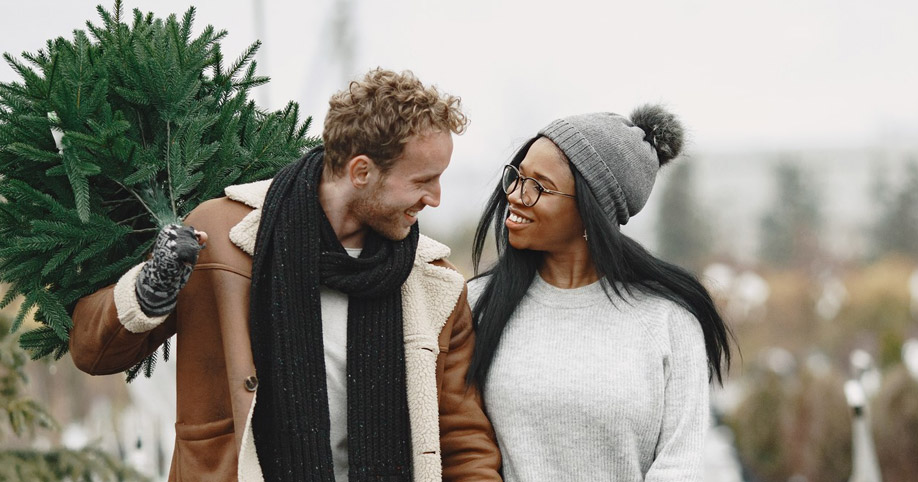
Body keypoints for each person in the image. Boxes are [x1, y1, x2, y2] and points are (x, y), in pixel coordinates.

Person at [70, 68, 502, 482]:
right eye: (423, 180)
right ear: (362, 172)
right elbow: (95, 353)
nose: (436, 198)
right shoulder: (222, 238)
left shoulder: (433, 283)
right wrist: (151, 286)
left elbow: (463, 440)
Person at [466, 105, 733, 481]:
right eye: (517, 176)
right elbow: (458, 442)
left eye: (538, 186)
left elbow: (679, 465)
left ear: (591, 210)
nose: (514, 195)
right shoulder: (476, 305)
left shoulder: (670, 321)